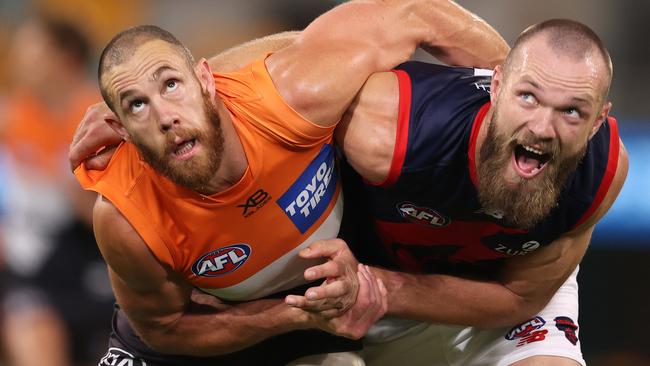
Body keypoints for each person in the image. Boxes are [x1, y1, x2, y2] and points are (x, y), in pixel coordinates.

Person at [71, 15, 627, 366]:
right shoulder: (380, 129)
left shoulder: (600, 176)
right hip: (325, 306)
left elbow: (522, 298)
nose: (542, 127)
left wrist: (372, 287)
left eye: (571, 111)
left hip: (434, 296)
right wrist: (312, 308)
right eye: (138, 106)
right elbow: (164, 327)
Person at [0, 17, 114, 366]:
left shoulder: (102, 119)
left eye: (30, 49)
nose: (18, 58)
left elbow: (111, 213)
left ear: (64, 57)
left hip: (94, 255)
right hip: (28, 264)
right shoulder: (12, 116)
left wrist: (71, 185)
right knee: (29, 324)